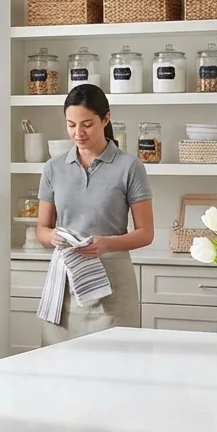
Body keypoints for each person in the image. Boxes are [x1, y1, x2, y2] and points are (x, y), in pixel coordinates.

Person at [35, 84, 155, 345]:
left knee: (115, 367)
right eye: (71, 124)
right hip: (65, 286)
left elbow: (146, 233)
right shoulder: (53, 169)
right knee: (58, 371)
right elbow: (42, 229)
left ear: (106, 118)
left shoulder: (129, 166)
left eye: (87, 124)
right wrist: (53, 236)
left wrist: (105, 244)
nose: (78, 133)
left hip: (113, 287)